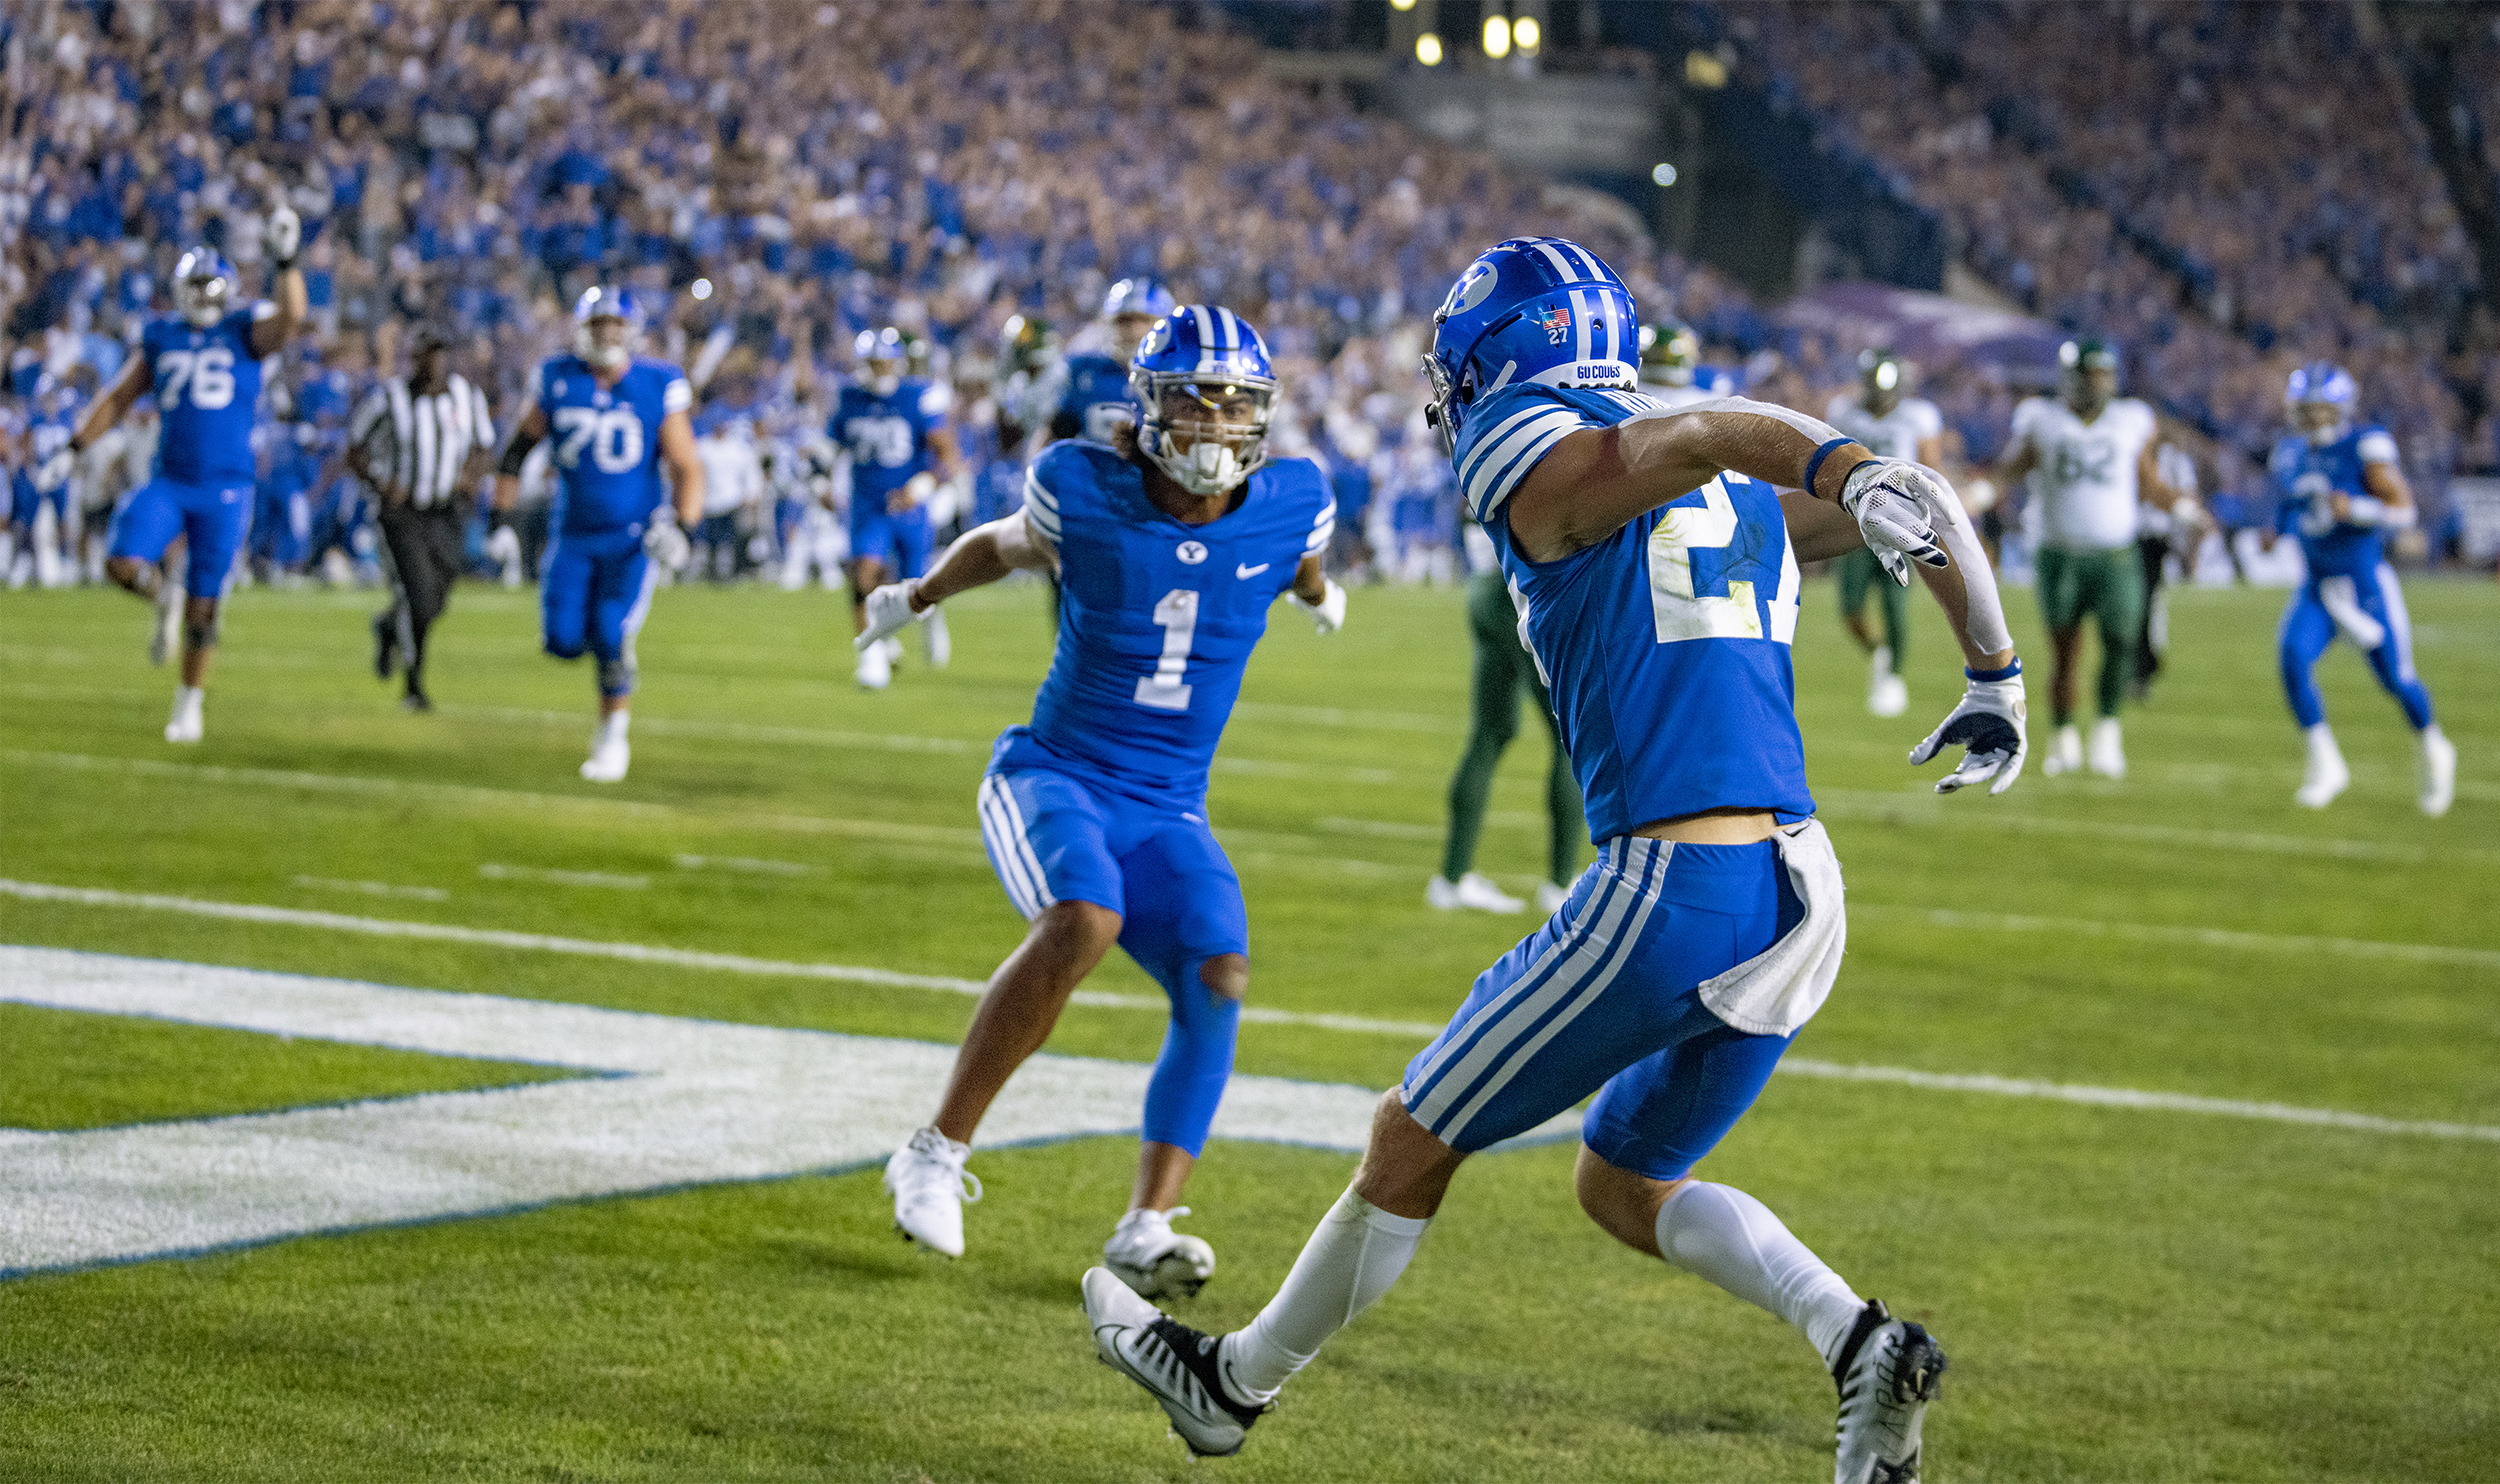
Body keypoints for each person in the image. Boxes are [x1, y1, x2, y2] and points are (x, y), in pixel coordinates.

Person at [1085, 237, 2029, 1484]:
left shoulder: (1548, 446)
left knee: (1409, 1138)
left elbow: (1705, 445)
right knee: (1623, 1177)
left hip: (1673, 883)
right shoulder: (1711, 471)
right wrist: (1993, 666)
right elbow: (1917, 489)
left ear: (1497, 357)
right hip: (1800, 887)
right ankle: (1860, 1342)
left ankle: (1230, 1385)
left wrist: (1845, 468)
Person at [861, 303, 1344, 1298]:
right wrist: (916, 595)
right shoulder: (1082, 487)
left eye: (1231, 409)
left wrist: (1316, 593)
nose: (1212, 428)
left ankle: (1147, 1220)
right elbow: (1002, 542)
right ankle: (934, 1150)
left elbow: (1297, 555)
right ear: (1149, 410)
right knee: (1082, 915)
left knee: (1219, 969)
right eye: (1193, 406)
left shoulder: (1294, 497)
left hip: (1171, 803)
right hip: (1055, 771)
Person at [66, 212, 308, 742]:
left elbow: (291, 318)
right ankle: (161, 598)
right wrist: (75, 445)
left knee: (206, 603)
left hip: (227, 488)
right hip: (170, 480)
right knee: (121, 563)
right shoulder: (160, 336)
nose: (200, 295)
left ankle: (188, 703)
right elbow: (120, 396)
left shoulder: (244, 330)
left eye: (207, 284)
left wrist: (286, 261)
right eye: (192, 285)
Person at [491, 286, 705, 782]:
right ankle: (610, 658)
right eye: (598, 324)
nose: (607, 333)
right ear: (582, 329)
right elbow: (516, 452)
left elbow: (686, 466)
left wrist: (683, 528)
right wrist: (499, 522)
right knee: (563, 641)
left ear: (630, 331)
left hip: (633, 538)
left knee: (610, 632)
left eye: (615, 324)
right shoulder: (557, 378)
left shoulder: (657, 382)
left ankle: (612, 736)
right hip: (573, 535)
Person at [2264, 362, 2455, 815]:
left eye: (2320, 410)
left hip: (2364, 585)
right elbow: (2291, 509)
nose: (2312, 419)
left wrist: (2360, 510)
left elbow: (2404, 511)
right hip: (2316, 586)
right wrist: (2275, 532)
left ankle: (2433, 744)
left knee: (2395, 679)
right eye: (2305, 410)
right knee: (2292, 658)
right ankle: (2326, 764)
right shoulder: (2290, 453)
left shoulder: (2363, 446)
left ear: (2340, 409)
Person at [1993, 339, 2185, 779]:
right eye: (2089, 375)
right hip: (2060, 555)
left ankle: (2107, 730)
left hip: (2116, 554)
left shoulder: (2131, 419)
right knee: (2065, 653)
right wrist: (1981, 492)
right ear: (2070, 378)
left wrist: (2182, 506)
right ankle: (2063, 736)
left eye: (2103, 374)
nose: (2097, 383)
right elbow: (2012, 469)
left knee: (2121, 642)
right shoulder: (2042, 419)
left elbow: (2149, 480)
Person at [351, 324, 496, 710]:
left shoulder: (467, 397)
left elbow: (484, 447)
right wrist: (381, 484)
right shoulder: (389, 398)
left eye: (440, 353)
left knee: (436, 598)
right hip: (402, 513)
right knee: (416, 594)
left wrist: (470, 476)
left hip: (447, 510)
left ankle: (387, 627)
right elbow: (355, 448)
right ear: (413, 358)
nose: (435, 362)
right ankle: (414, 685)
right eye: (427, 353)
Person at [836, 326, 959, 689]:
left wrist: (918, 489)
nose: (878, 370)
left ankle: (930, 618)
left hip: (909, 507)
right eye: (873, 364)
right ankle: (871, 657)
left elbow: (948, 458)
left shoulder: (916, 396)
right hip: (868, 504)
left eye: (884, 363)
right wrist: (819, 482)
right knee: (864, 574)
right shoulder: (849, 397)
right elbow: (829, 446)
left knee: (915, 586)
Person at [1826, 350, 1945, 718]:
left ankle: (1893, 676)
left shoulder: (1917, 417)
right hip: (1852, 524)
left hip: (1899, 524)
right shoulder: (1844, 413)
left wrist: (1931, 518)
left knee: (1896, 606)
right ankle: (1880, 652)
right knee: (1850, 607)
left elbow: (1930, 469)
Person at [1050, 277, 1174, 444]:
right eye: (1124, 320)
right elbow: (1054, 435)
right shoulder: (1084, 371)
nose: (1133, 329)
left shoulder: (1175, 376)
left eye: (1142, 319)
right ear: (1110, 324)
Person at [2132, 437, 2203, 698]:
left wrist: (2189, 546)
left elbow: (2186, 498)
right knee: (2142, 602)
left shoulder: (2173, 459)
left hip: (2154, 539)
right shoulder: (2133, 451)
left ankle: (2142, 666)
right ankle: (2145, 662)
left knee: (2146, 602)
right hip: (2129, 536)